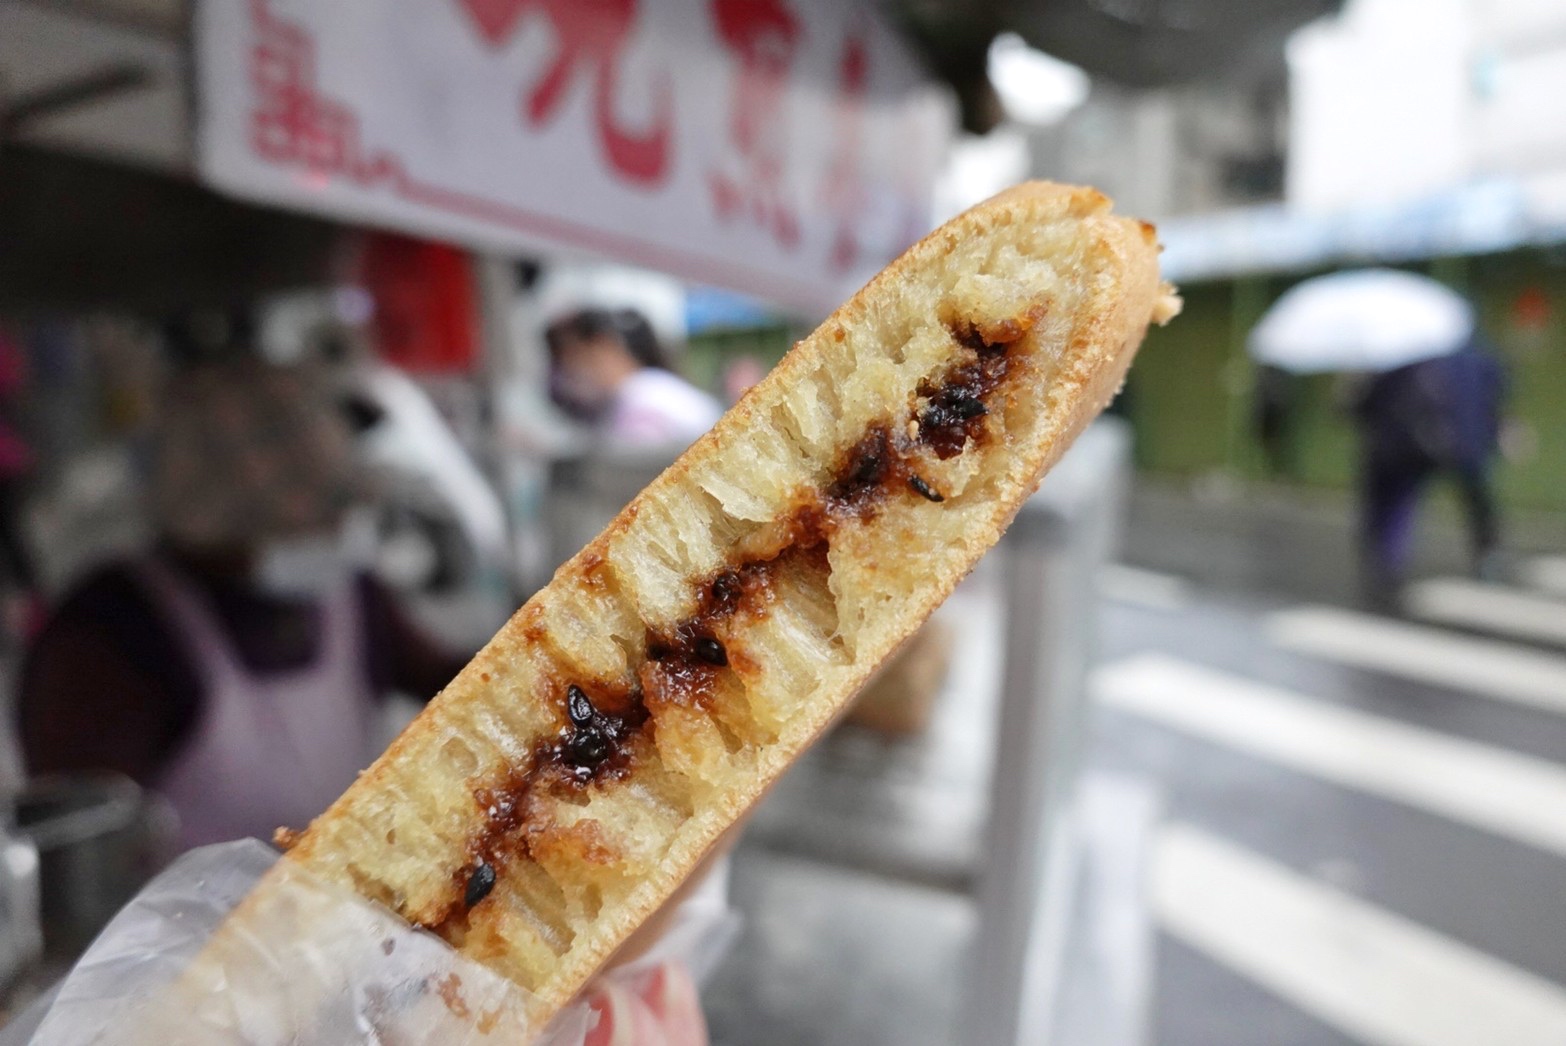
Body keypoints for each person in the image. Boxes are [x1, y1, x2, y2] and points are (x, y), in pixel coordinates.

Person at [15, 353, 468, 852]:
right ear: (212, 517)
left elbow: (452, 685)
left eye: (333, 510)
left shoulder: (349, 590)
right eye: (299, 520)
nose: (329, 535)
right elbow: (82, 843)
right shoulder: (116, 632)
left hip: (348, 909)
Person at [1354, 331, 1507, 603]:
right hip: (1462, 444)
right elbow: (1495, 397)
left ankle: (1389, 561)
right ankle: (1487, 553)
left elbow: (1361, 408)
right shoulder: (1480, 360)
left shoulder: (1398, 363)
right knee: (1476, 500)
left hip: (1408, 446)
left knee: (1398, 503)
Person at [547, 308, 722, 445]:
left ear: (599, 345)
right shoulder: (653, 387)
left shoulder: (639, 401)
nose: (566, 374)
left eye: (571, 356)